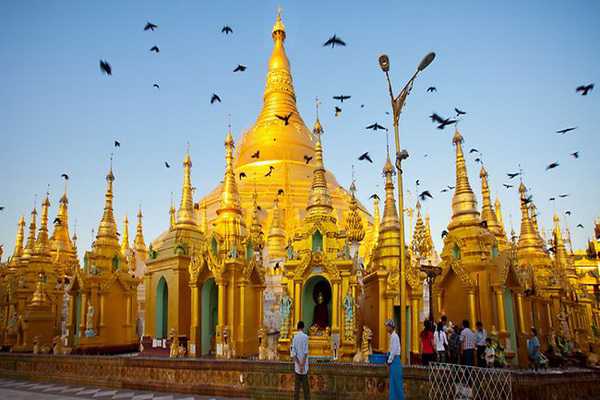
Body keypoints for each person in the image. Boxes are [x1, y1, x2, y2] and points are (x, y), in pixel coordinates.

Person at [291, 321, 310, 400]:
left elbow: (293, 353)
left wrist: (299, 365)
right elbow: (306, 352)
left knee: (297, 389)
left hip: (297, 368)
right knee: (306, 389)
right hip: (304, 367)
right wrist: (302, 365)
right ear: (303, 327)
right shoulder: (305, 337)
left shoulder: (294, 337)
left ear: (297, 327)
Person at [385, 319, 403, 400]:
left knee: (396, 383)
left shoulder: (395, 337)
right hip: (393, 361)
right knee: (393, 383)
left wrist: (389, 361)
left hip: (395, 361)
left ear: (391, 327)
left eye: (388, 326)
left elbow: (394, 351)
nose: (386, 328)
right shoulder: (392, 336)